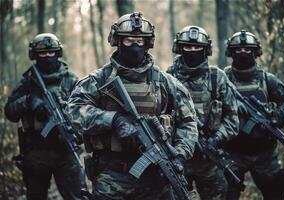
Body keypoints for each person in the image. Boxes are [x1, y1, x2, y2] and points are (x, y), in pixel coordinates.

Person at [66, 12, 198, 200]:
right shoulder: (99, 80)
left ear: (148, 43)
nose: (135, 46)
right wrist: (113, 120)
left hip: (157, 180)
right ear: (117, 42)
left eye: (140, 40)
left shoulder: (166, 82)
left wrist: (180, 154)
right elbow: (73, 110)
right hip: (112, 178)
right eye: (128, 40)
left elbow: (188, 122)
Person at [4, 33, 86, 200]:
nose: (48, 57)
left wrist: (77, 131)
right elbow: (10, 112)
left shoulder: (71, 81)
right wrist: (29, 101)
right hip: (36, 151)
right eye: (43, 53)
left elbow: (85, 111)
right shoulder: (27, 82)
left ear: (58, 53)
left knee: (77, 196)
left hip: (66, 151)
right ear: (35, 55)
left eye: (52, 52)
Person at [167, 26, 239, 200]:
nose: (192, 51)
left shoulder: (218, 78)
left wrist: (216, 139)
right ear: (180, 48)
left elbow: (232, 120)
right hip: (177, 160)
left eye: (197, 47)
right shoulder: (168, 78)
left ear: (206, 50)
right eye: (188, 47)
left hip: (209, 160)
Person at [223, 30, 284, 200]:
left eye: (247, 49)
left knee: (276, 193)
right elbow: (212, 105)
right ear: (231, 52)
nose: (242, 53)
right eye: (238, 50)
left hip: (264, 153)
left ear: (255, 52)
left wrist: (277, 117)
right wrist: (232, 106)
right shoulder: (222, 79)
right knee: (225, 194)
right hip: (231, 151)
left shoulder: (267, 80)